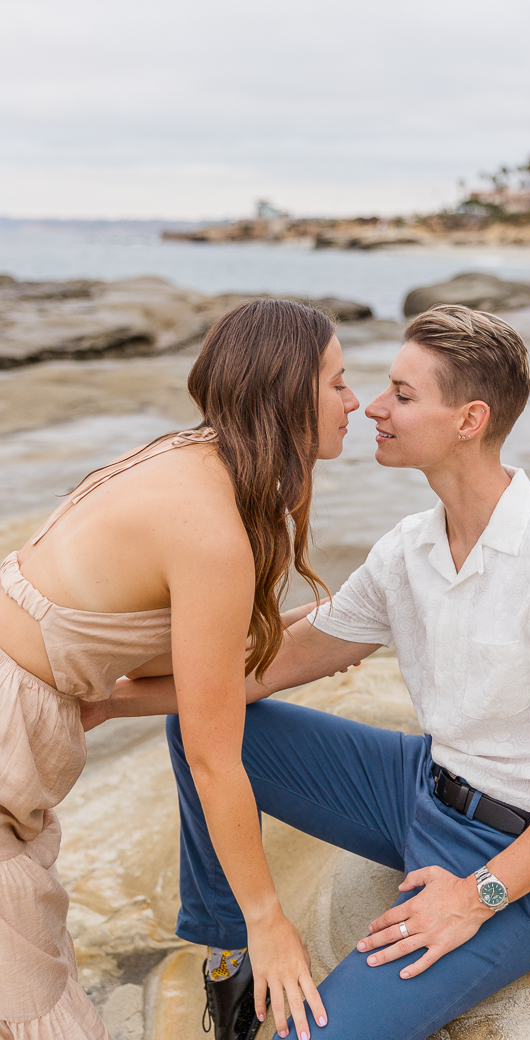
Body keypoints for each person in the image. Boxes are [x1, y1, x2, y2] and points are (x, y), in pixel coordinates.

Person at [102, 304, 530, 1040]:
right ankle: (230, 957)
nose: (371, 408)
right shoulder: (408, 549)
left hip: (509, 855)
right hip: (414, 785)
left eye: (402, 394)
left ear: (468, 419)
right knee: (207, 726)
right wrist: (105, 701)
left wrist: (473, 897)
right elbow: (271, 666)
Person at [0, 299, 359, 1040]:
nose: (354, 401)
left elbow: (206, 659)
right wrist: (266, 920)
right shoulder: (212, 527)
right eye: (338, 381)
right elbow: (211, 754)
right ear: (289, 393)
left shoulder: (190, 458)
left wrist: (333, 636)